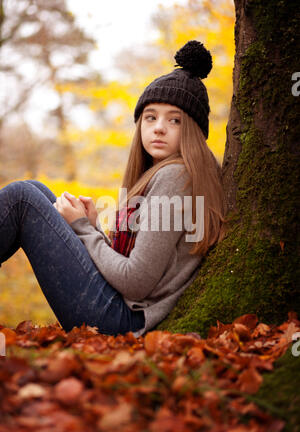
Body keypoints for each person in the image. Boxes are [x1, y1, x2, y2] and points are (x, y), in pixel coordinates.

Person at [0, 41, 226, 338]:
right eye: (150, 117)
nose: (159, 127)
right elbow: (141, 267)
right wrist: (94, 227)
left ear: (194, 131)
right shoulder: (172, 174)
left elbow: (135, 282)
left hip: (120, 320)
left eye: (175, 120)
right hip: (120, 308)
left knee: (22, 199)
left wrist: (82, 228)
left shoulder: (176, 176)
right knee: (35, 190)